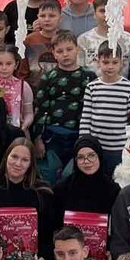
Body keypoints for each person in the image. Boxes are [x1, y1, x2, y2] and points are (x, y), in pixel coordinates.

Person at [32, 30, 95, 183]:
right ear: (53, 53)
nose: (65, 54)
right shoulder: (47, 78)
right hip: (53, 136)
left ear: (77, 49)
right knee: (50, 176)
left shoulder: (89, 77)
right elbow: (40, 109)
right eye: (60, 51)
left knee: (75, 178)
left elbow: (94, 109)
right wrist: (37, 139)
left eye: (69, 49)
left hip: (79, 135)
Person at [78, 42, 130, 176]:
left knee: (117, 180)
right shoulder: (91, 87)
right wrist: (84, 143)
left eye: (114, 62)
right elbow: (86, 117)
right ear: (98, 62)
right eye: (105, 62)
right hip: (96, 147)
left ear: (121, 62)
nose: (110, 66)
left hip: (119, 148)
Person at [52, 134, 120, 229]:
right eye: (80, 157)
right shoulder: (62, 190)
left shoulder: (113, 190)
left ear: (99, 156)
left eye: (91, 155)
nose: (86, 161)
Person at [77, 0, 130, 76]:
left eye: (111, 11)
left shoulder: (129, 40)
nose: (107, 15)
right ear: (94, 14)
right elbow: (79, 72)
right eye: (102, 11)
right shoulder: (83, 40)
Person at [24, 0, 63, 80]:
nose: (47, 19)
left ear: (60, 18)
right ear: (38, 17)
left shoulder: (65, 39)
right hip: (34, 86)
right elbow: (23, 71)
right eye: (42, 16)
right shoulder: (30, 40)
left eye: (52, 16)